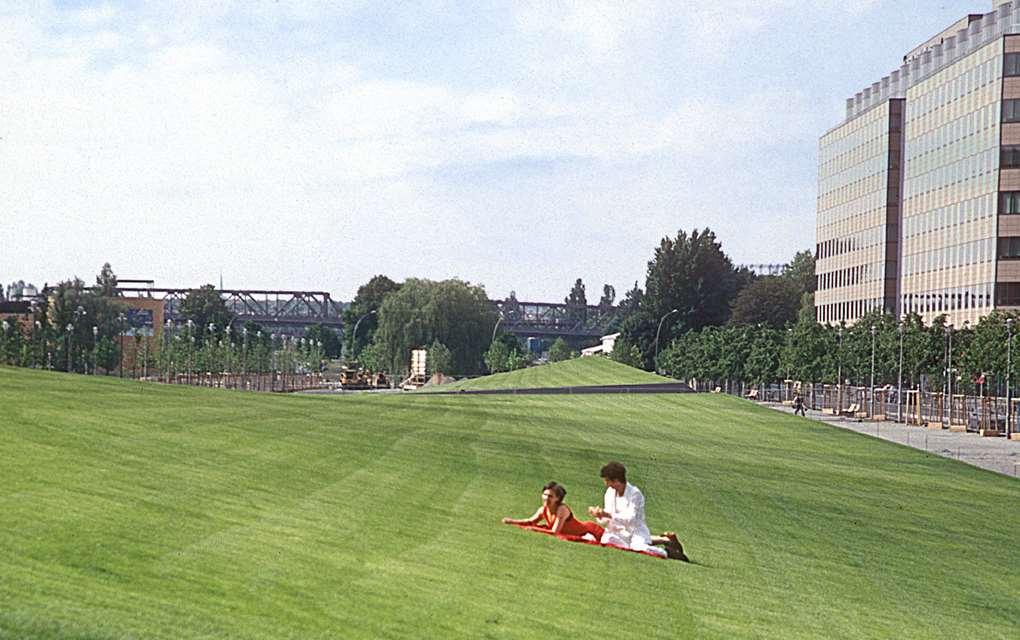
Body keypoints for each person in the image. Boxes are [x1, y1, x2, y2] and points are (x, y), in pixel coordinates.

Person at [588, 461, 688, 561]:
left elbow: (631, 519)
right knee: (607, 541)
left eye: (607, 480)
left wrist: (608, 514)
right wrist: (599, 515)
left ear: (616, 480)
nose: (606, 484)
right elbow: (606, 521)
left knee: (638, 548)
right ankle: (665, 540)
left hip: (636, 531)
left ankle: (668, 553)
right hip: (617, 532)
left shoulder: (635, 494)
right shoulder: (610, 493)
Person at [502, 481, 605, 540]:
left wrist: (535, 529)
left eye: (550, 496)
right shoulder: (543, 510)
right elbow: (530, 521)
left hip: (590, 532)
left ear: (558, 499)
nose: (546, 498)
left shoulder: (562, 509)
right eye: (545, 495)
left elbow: (554, 532)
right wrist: (511, 521)